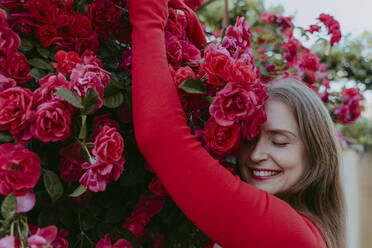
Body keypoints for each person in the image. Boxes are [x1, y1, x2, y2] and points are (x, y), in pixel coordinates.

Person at [128, 0, 346, 247]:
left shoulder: (289, 234)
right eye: (249, 138)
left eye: (279, 142)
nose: (256, 155)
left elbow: (161, 138)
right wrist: (193, 36)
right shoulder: (308, 230)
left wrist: (148, 13)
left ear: (317, 155)